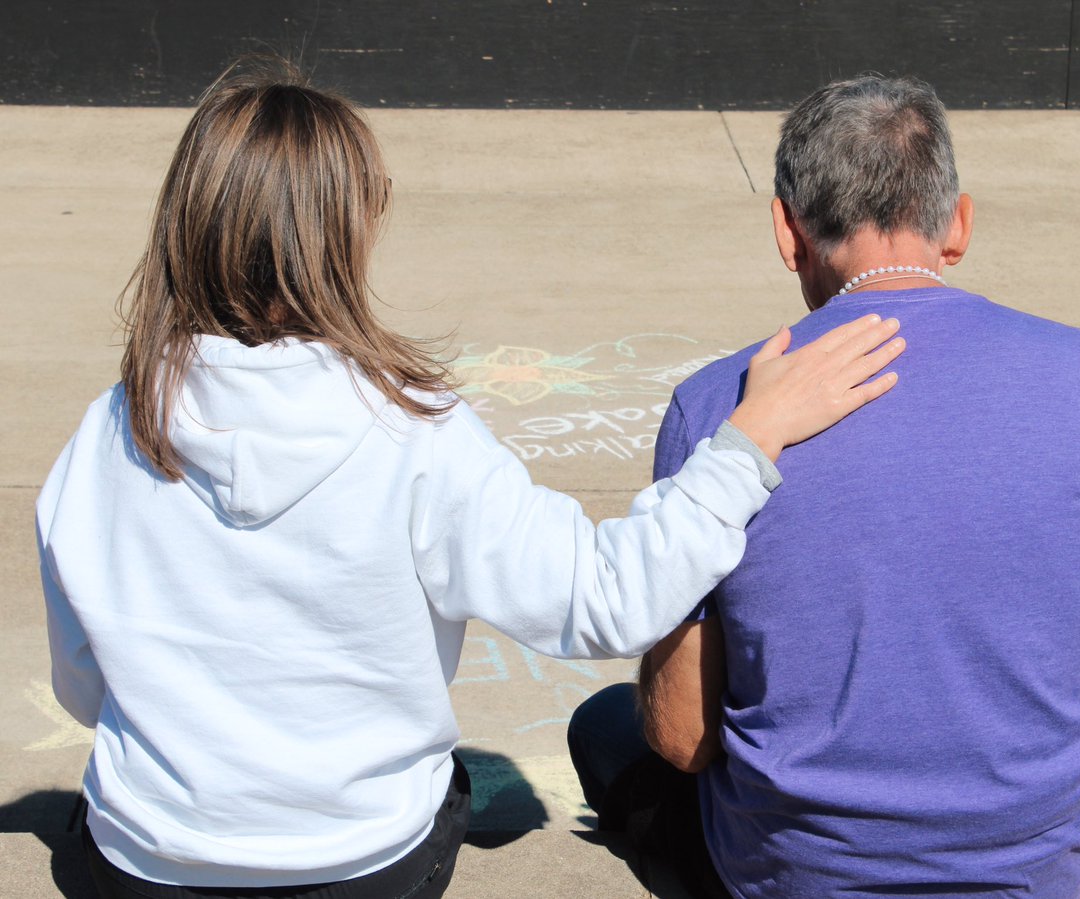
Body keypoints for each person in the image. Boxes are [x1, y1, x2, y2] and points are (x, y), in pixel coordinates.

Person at [35, 61, 907, 899]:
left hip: (151, 861)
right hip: (364, 861)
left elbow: (84, 687)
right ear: (342, 235)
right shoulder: (413, 431)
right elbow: (604, 599)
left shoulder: (113, 428)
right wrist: (748, 443)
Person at [568, 75, 1080, 898]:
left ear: (788, 231)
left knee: (606, 726)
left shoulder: (719, 403)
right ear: (957, 224)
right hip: (1031, 857)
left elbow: (682, 735)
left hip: (799, 868)